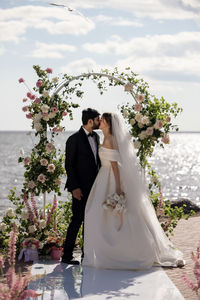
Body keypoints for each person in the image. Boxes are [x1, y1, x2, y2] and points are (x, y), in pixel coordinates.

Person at [82, 112, 185, 270]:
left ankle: (122, 251)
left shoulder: (109, 140)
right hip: (103, 177)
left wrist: (117, 190)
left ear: (108, 124)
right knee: (98, 213)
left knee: (111, 214)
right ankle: (106, 250)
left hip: (110, 178)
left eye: (102, 121)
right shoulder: (104, 137)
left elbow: (115, 166)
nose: (99, 122)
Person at [62, 108, 101, 265]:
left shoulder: (97, 137)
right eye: (98, 119)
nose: (99, 122)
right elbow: (69, 166)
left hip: (95, 188)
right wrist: (74, 188)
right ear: (90, 121)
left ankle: (86, 255)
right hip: (80, 189)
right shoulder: (74, 139)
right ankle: (66, 256)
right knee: (77, 220)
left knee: (90, 221)